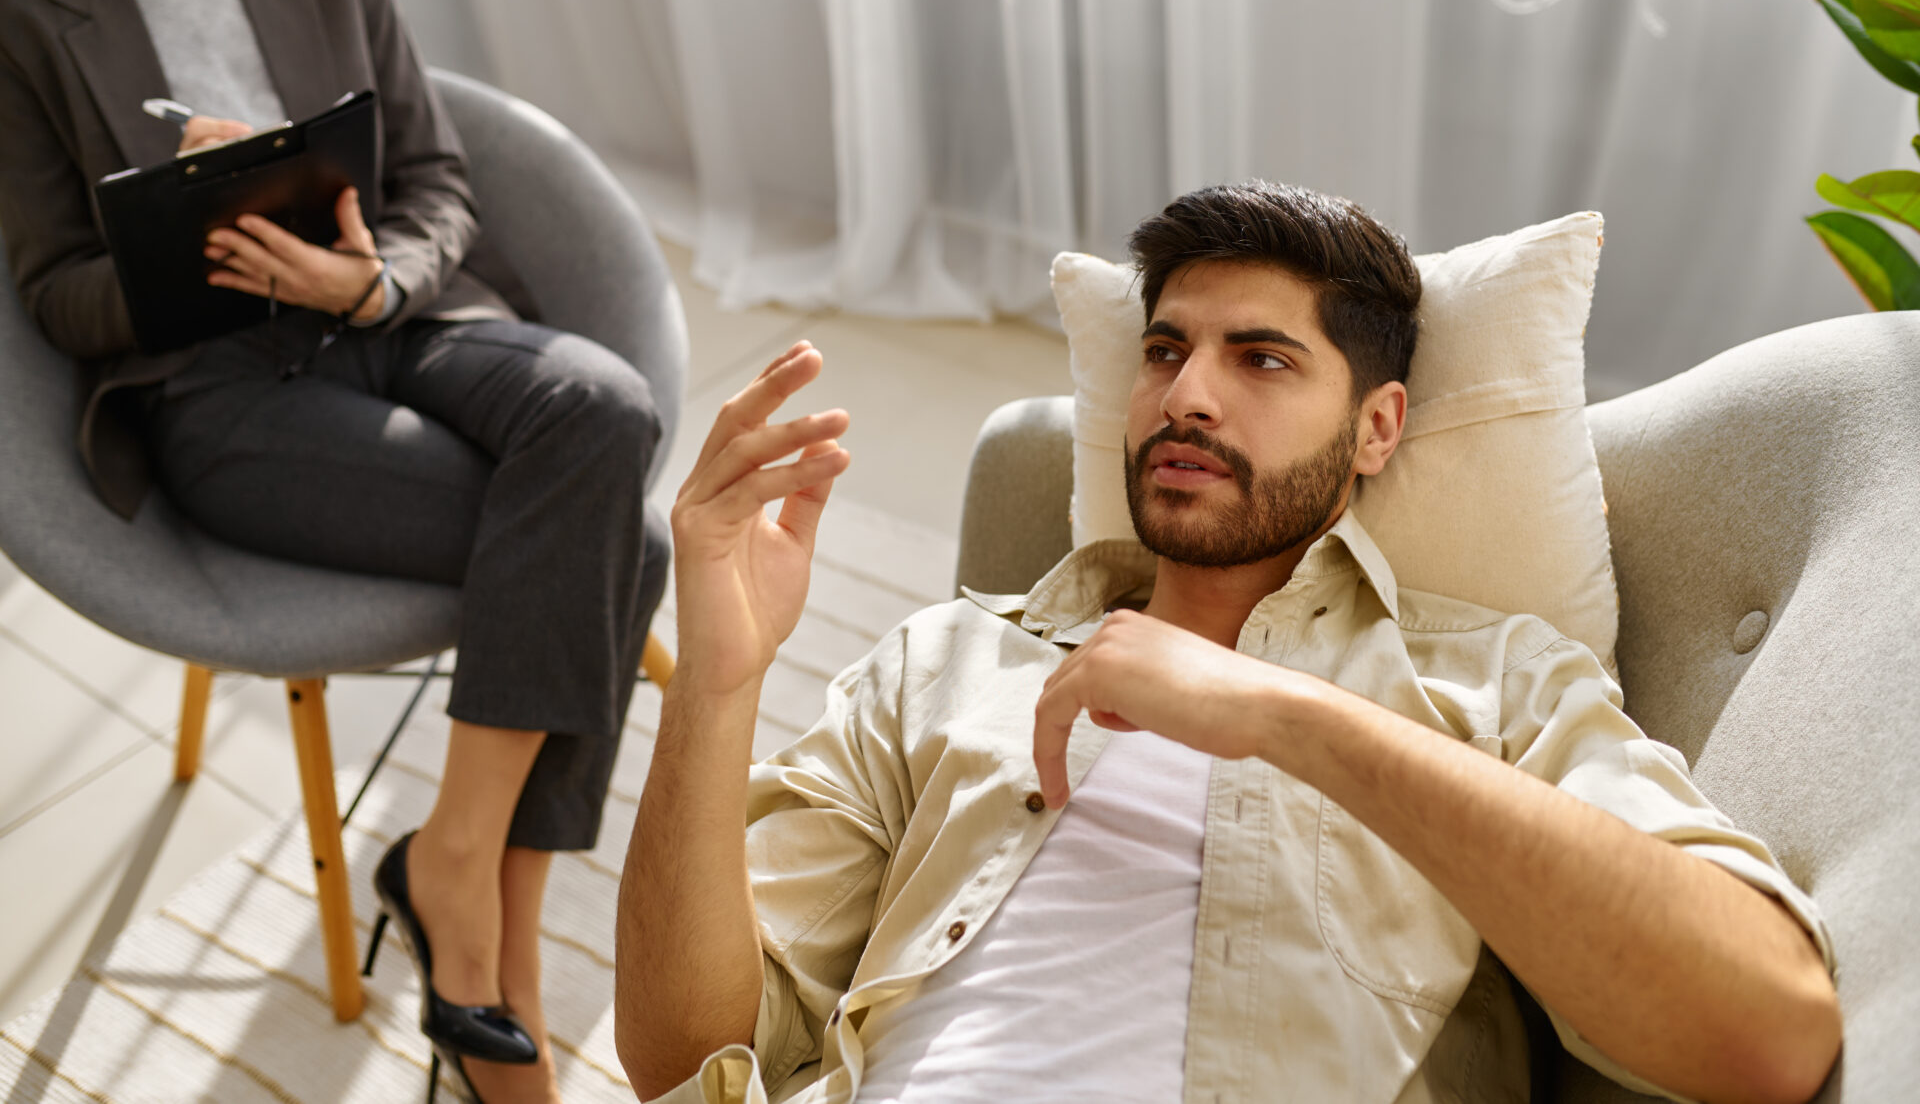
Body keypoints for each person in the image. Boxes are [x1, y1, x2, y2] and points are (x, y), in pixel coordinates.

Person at [616, 182, 1842, 1104]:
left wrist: (1277, 713)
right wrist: (717, 684)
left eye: (1261, 358)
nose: (1186, 395)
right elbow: (685, 1053)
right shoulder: (948, 658)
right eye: (1165, 350)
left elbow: (1767, 1031)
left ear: (1377, 428)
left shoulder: (1497, 678)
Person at [0, 0, 669, 1101]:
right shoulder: (22, 8)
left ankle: (454, 865)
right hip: (222, 392)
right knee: (619, 540)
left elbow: (435, 178)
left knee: (602, 407)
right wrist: (191, 227)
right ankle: (505, 962)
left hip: (391, 316)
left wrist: (371, 283)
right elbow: (55, 296)